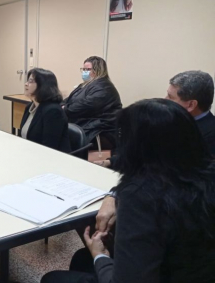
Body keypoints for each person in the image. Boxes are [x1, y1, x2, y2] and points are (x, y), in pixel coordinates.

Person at [42, 99, 215, 283]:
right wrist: (113, 194)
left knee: (52, 278)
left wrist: (100, 257)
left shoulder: (141, 196)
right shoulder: (200, 175)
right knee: (82, 259)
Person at [96, 70, 215, 168]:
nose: (165, 99)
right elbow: (143, 151)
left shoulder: (209, 138)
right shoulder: (168, 120)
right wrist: (110, 162)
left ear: (191, 105)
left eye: (171, 97)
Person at [62, 56, 122, 147]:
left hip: (98, 129)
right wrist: (61, 106)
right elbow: (69, 99)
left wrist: (65, 108)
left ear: (98, 70)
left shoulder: (104, 87)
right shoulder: (85, 85)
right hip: (86, 125)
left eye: (88, 69)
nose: (85, 72)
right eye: (83, 69)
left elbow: (87, 105)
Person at [19, 68, 71, 153]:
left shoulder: (53, 111)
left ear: (43, 86)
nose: (26, 84)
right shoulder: (30, 107)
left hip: (52, 160)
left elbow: (49, 147)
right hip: (31, 154)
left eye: (30, 81)